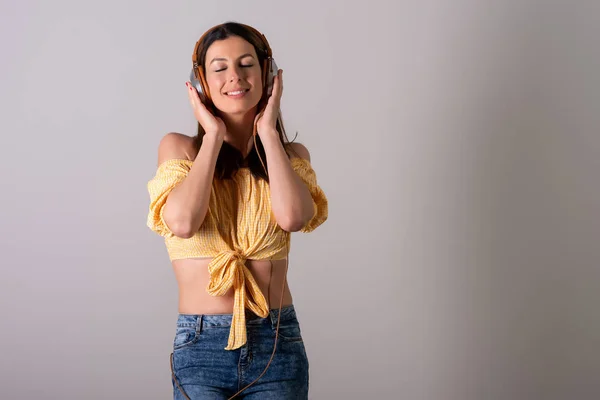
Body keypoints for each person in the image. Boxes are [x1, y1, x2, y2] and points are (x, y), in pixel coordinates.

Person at [146, 21, 328, 399]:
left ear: (267, 74)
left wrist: (268, 135)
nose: (235, 77)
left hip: (276, 343)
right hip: (200, 346)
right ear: (200, 84)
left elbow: (294, 217)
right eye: (219, 68)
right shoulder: (179, 149)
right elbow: (182, 222)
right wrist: (211, 135)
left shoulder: (292, 156)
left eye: (246, 64)